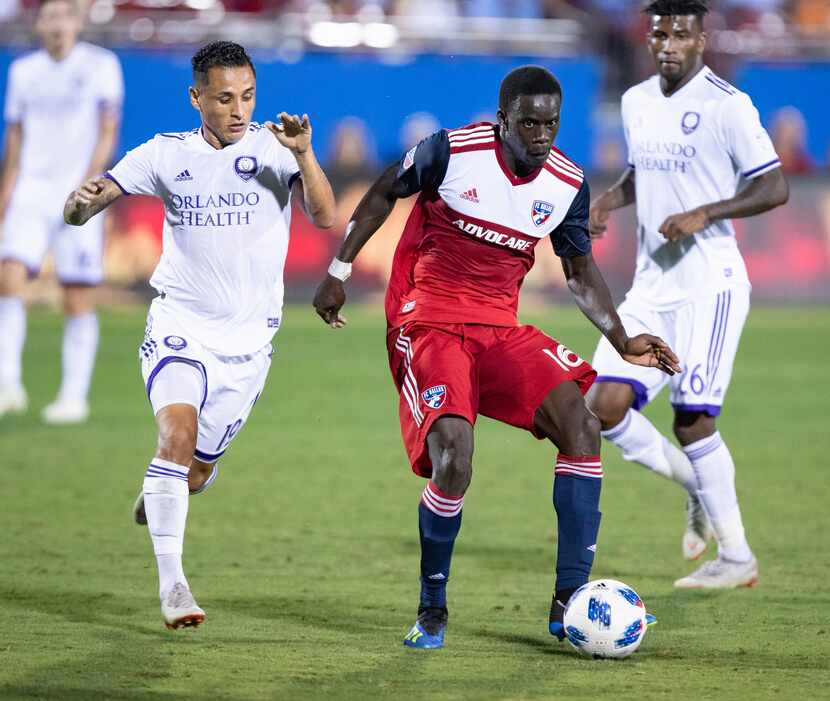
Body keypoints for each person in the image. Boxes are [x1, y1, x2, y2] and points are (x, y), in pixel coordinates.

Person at [313, 65, 679, 649]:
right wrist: (338, 270)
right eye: (529, 122)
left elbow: (580, 269)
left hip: (497, 326)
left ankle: (569, 604)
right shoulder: (453, 151)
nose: (541, 133)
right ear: (502, 118)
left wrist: (621, 339)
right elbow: (384, 190)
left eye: (551, 123)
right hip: (427, 319)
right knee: (453, 458)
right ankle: (432, 610)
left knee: (583, 425)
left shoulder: (566, 183)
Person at [63, 41, 335, 629]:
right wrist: (80, 206)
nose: (239, 110)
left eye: (248, 96)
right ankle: (174, 586)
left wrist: (307, 155)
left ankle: (167, 488)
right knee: (176, 436)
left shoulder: (275, 147)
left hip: (248, 345)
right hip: (180, 325)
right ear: (196, 98)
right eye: (224, 98)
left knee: (195, 470)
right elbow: (96, 198)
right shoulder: (165, 154)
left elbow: (326, 215)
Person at [586, 0, 788, 589]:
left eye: (680, 34)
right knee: (601, 409)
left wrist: (706, 212)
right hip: (651, 287)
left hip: (709, 286)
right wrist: (609, 200)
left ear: (702, 39)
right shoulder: (636, 102)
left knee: (692, 420)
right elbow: (643, 171)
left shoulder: (728, 106)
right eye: (659, 34)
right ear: (647, 40)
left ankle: (737, 557)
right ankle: (698, 486)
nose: (668, 43)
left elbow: (773, 185)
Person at [0, 0, 123, 423]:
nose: (56, 24)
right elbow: (14, 138)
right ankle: (7, 383)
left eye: (64, 16)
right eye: (49, 16)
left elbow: (108, 131)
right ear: (39, 24)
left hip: (78, 192)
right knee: (8, 276)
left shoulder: (101, 66)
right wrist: (6, 193)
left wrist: (90, 184)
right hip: (31, 189)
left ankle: (74, 396)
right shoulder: (22, 73)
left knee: (76, 295)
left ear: (77, 22)